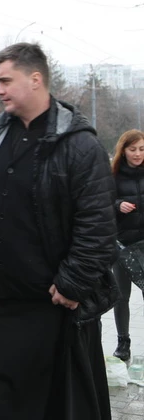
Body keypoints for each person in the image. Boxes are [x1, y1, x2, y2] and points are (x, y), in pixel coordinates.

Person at [0, 43, 116, 420]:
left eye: (6, 80)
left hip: (50, 312)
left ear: (35, 80)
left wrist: (72, 283)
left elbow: (97, 225)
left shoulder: (79, 145)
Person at [110, 129, 144, 361]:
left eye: (141, 149)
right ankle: (123, 342)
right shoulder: (112, 175)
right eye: (132, 149)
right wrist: (118, 204)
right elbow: (101, 202)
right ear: (123, 150)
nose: (138, 154)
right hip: (121, 245)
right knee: (121, 296)